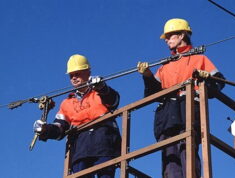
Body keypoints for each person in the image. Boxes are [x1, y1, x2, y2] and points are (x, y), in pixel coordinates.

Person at [137, 18, 225, 178]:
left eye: (170, 36)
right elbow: (152, 94)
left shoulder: (199, 59)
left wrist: (208, 79)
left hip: (188, 113)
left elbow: (219, 83)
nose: (167, 41)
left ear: (182, 34)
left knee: (188, 155)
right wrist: (148, 75)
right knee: (170, 162)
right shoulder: (165, 67)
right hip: (167, 118)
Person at [34, 54, 121, 178]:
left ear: (88, 72)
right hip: (80, 150)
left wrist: (102, 87)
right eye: (71, 75)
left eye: (77, 74)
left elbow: (114, 101)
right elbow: (60, 127)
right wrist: (45, 129)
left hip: (104, 143)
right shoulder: (67, 103)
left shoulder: (99, 93)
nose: (74, 78)